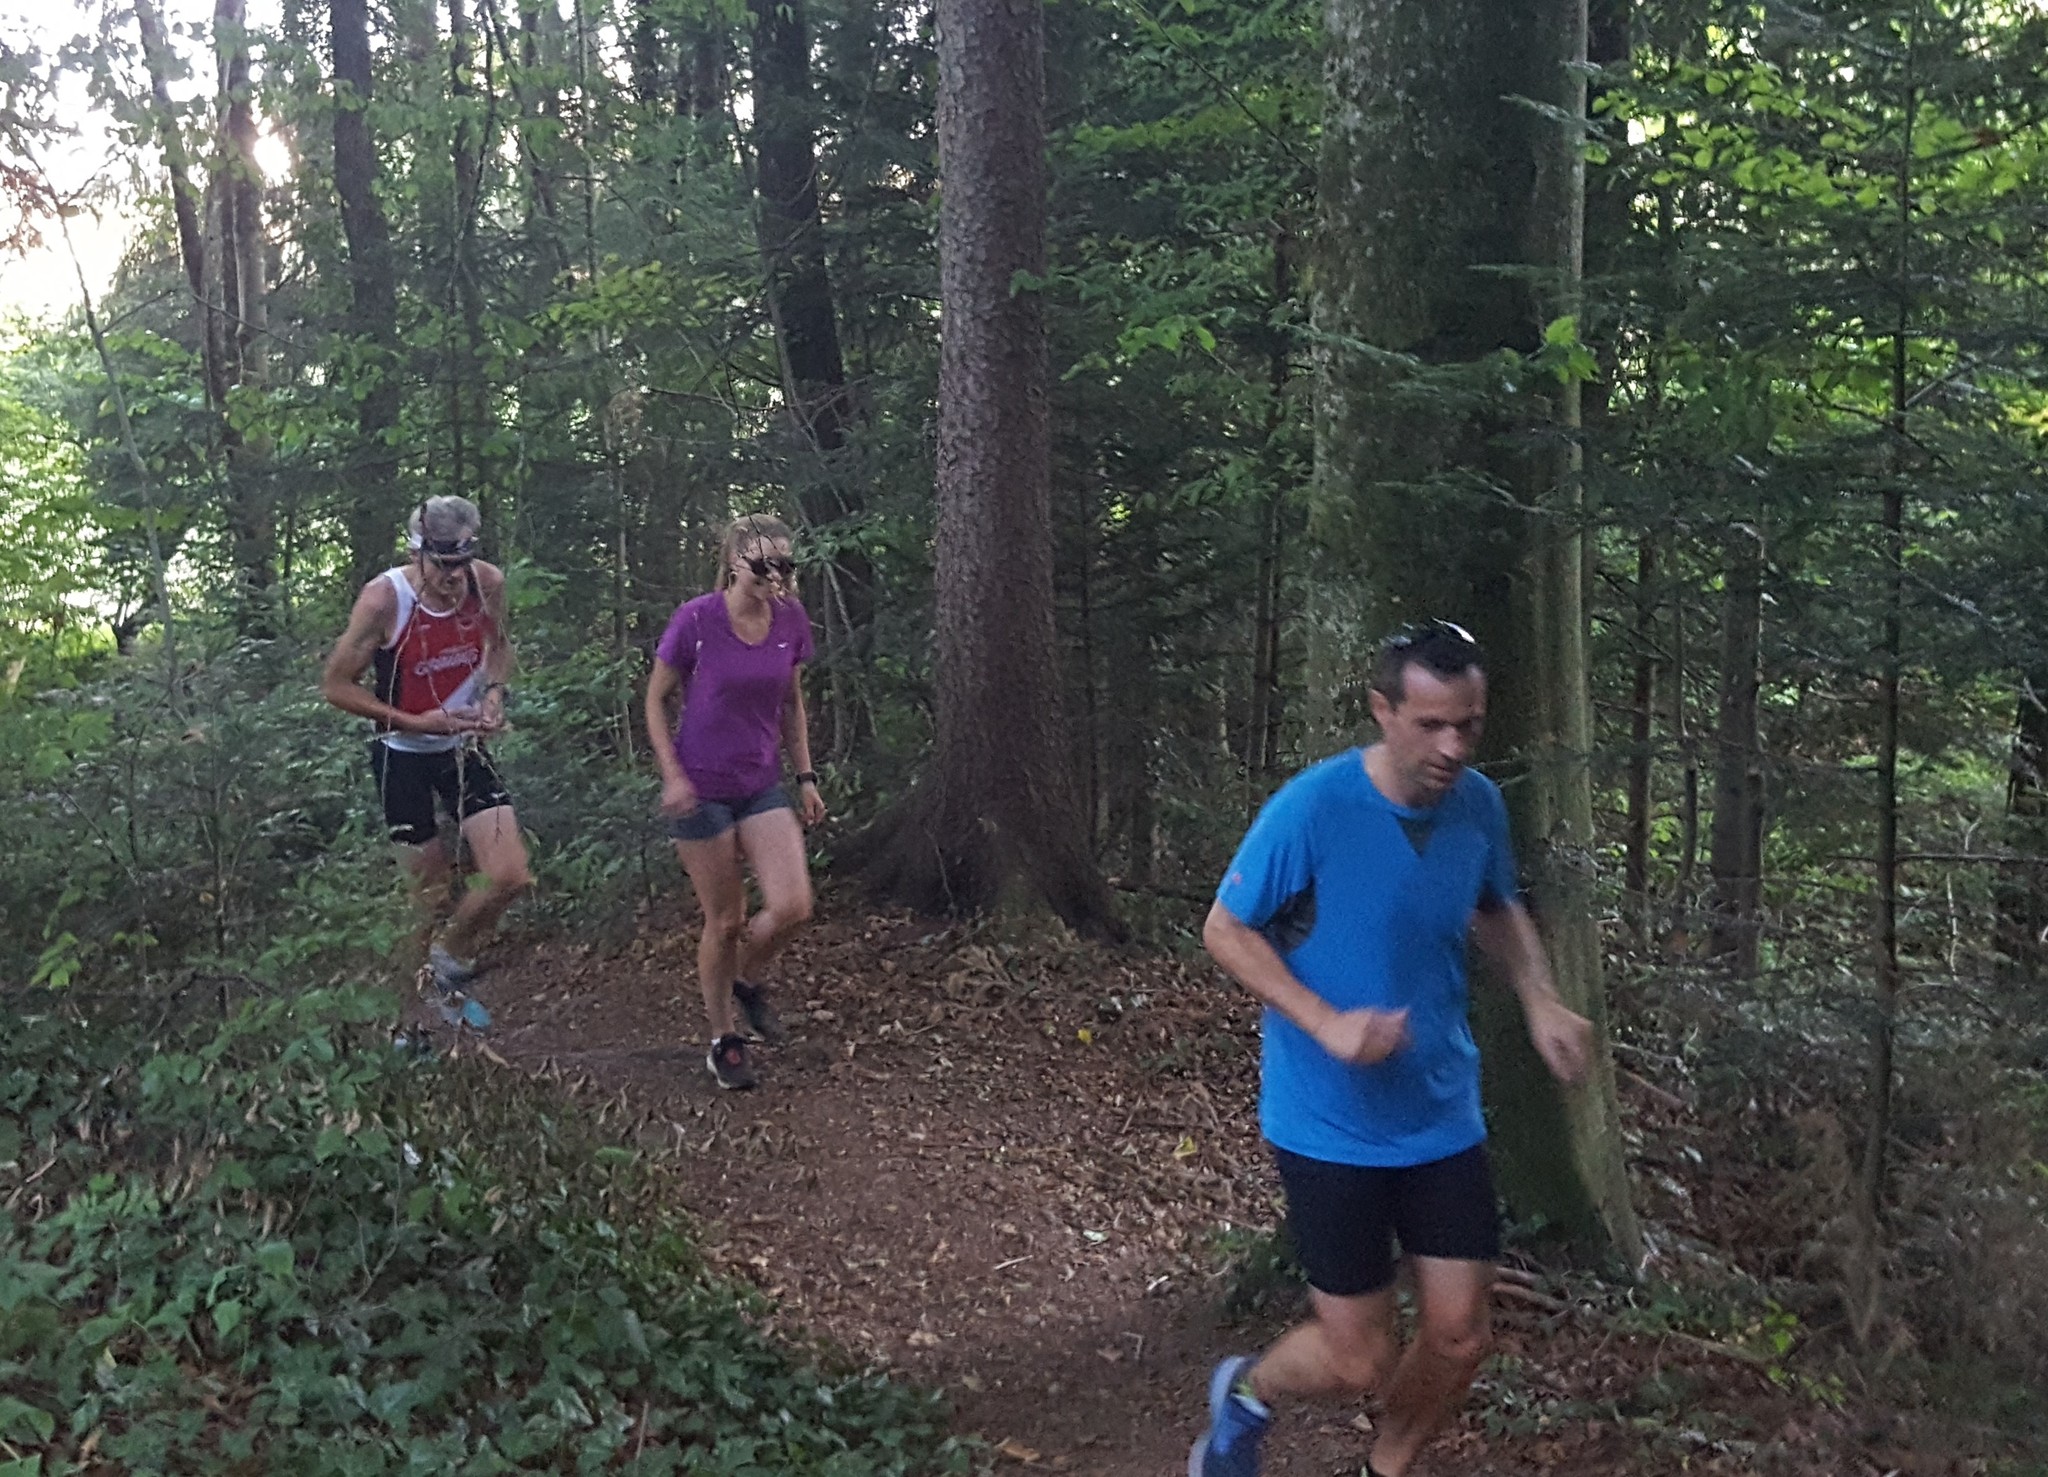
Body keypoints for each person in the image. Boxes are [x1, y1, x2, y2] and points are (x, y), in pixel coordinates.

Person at [1189, 620, 1595, 1477]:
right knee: (1359, 1358)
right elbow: (1225, 928)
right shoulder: (1314, 807)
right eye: (1431, 724)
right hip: (1328, 1120)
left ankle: (1388, 1465)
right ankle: (1248, 1392)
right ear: (1383, 710)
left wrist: (1541, 1000)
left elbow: (1496, 906)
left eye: (1469, 725)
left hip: (1441, 1111)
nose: (1452, 746)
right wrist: (1326, 1020)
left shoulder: (1480, 803)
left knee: (1458, 1335)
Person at [321, 496, 533, 1030]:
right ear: (416, 553)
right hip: (401, 754)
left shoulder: (488, 584)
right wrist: (414, 722)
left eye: (462, 563)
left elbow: (500, 647)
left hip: (460, 747)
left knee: (508, 874)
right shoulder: (382, 600)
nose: (453, 577)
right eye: (441, 564)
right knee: (429, 892)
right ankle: (409, 1018)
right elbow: (336, 687)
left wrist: (494, 694)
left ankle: (447, 960)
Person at [645, 514, 826, 1091]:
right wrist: (672, 775)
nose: (774, 575)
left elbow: (792, 704)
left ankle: (746, 980)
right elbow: (653, 700)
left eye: (784, 564)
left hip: (760, 782)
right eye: (761, 563)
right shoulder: (697, 619)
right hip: (700, 787)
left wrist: (806, 775)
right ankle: (725, 1039)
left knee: (794, 906)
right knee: (725, 921)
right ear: (732, 562)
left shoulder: (791, 619)